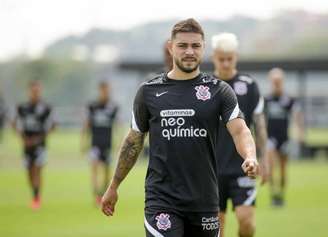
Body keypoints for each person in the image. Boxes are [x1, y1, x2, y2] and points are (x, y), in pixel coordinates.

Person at [101, 18, 259, 237]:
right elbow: (133, 141)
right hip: (162, 200)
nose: (189, 51)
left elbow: (240, 130)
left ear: (203, 48)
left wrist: (250, 156)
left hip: (204, 200)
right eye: (182, 45)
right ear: (170, 47)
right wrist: (113, 185)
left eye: (195, 45)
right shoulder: (148, 91)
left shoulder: (219, 91)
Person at [211, 33, 268, 237]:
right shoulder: (206, 86)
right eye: (221, 58)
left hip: (243, 167)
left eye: (230, 58)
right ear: (213, 57)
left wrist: (264, 159)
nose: (226, 63)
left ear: (236, 57)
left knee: (247, 223)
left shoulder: (249, 85)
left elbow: (259, 123)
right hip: (212, 169)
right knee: (216, 229)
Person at [12, 81, 55, 209]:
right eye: (33, 91)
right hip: (27, 145)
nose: (35, 93)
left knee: (37, 169)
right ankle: (34, 193)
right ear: (29, 92)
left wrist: (40, 138)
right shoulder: (22, 107)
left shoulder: (46, 108)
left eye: (37, 91)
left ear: (40, 91)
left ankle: (36, 198)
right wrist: (22, 138)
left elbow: (52, 125)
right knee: (29, 172)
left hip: (40, 145)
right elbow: (14, 123)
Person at [265, 68, 303, 207]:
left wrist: (299, 132)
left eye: (279, 81)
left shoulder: (289, 100)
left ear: (282, 81)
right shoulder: (266, 99)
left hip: (284, 138)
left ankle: (281, 195)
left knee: (282, 168)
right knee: (270, 166)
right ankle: (272, 194)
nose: (276, 83)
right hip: (270, 138)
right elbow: (261, 119)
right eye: (274, 81)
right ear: (270, 82)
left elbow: (297, 116)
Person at [81, 81, 119, 205]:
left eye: (107, 90)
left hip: (107, 144)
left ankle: (104, 193)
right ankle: (96, 194)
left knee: (107, 171)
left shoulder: (113, 107)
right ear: (100, 91)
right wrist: (83, 142)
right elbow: (86, 125)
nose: (105, 93)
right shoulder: (92, 106)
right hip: (95, 144)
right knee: (95, 168)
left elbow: (118, 125)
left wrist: (119, 143)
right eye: (103, 90)